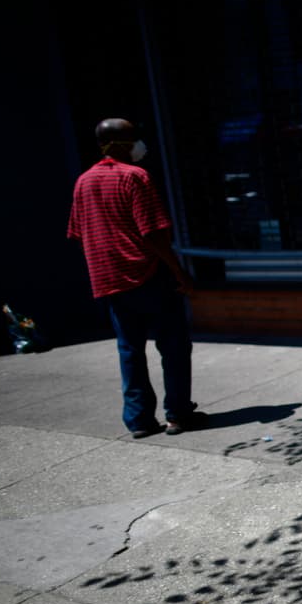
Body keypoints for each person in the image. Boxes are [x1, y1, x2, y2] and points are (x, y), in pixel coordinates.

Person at [67, 118, 205, 439]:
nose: (140, 144)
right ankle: (178, 414)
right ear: (122, 142)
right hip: (147, 275)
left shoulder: (83, 182)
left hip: (110, 280)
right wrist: (179, 271)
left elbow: (77, 232)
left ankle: (140, 420)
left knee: (129, 350)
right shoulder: (135, 177)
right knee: (173, 346)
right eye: (135, 138)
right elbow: (153, 234)